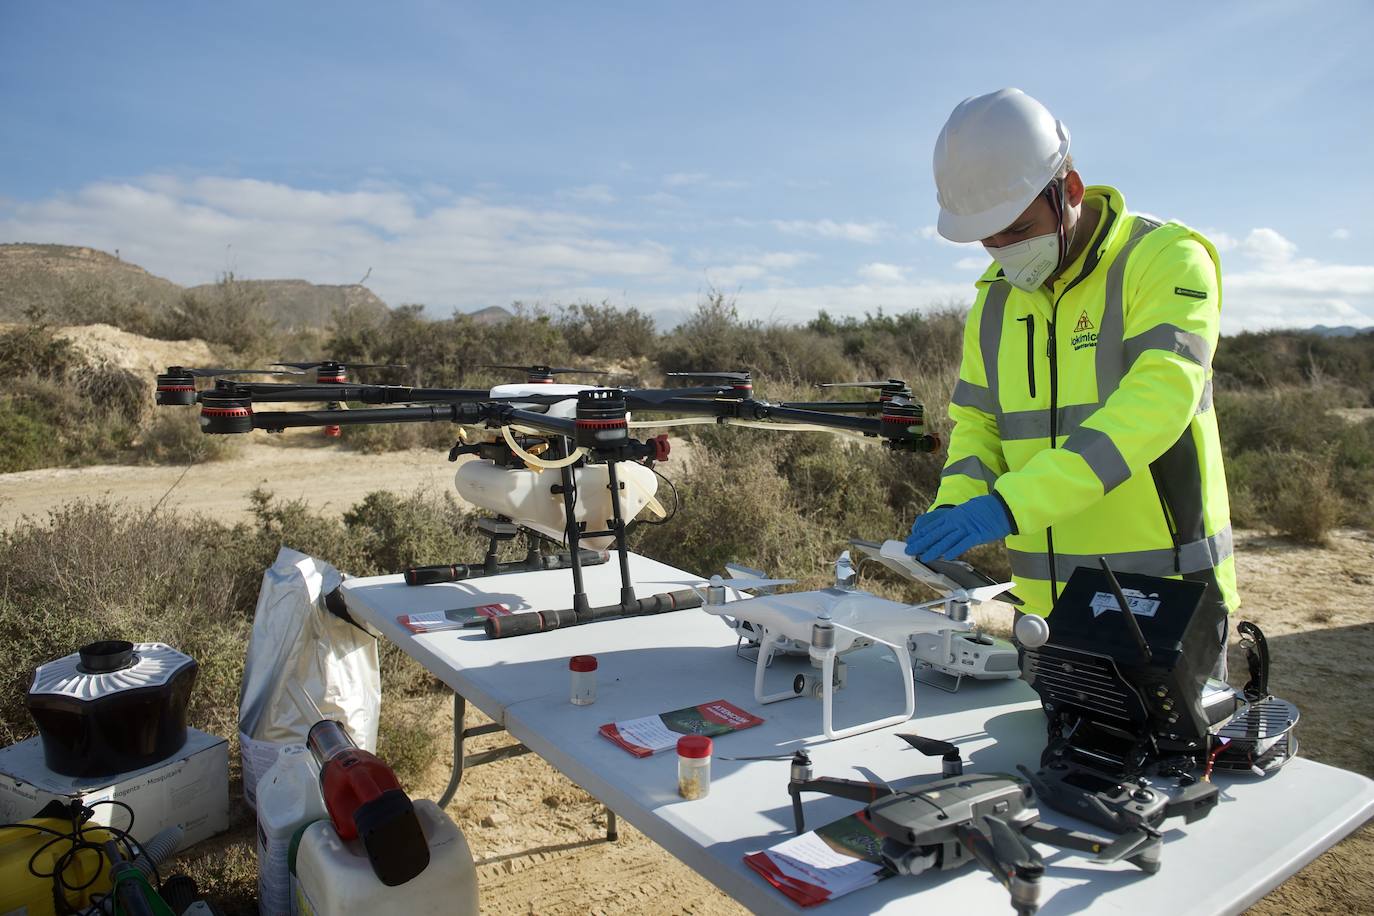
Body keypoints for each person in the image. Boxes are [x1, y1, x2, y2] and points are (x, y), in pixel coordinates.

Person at [904, 88, 1236, 673]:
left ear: (1071, 190)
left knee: (1166, 765)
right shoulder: (996, 300)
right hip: (1043, 612)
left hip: (1161, 598)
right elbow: (979, 426)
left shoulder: (1164, 259)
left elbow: (1157, 404)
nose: (1006, 251)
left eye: (1020, 227)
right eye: (990, 238)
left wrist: (1008, 507)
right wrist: (958, 504)